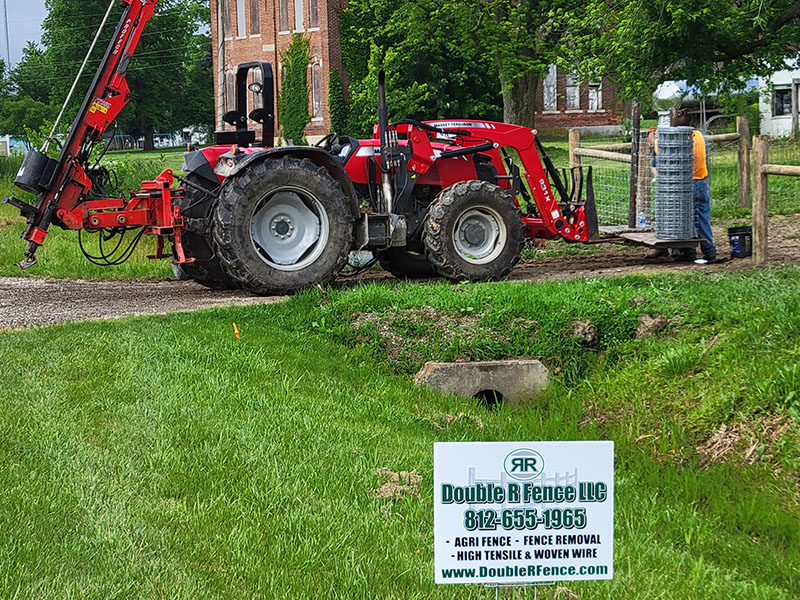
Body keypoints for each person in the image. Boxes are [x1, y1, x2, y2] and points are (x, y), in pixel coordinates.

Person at [646, 113, 717, 263]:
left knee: (685, 219)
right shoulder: (698, 136)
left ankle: (688, 251)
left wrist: (654, 139)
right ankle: (709, 250)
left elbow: (661, 152)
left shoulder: (674, 140)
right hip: (701, 181)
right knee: (702, 218)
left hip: (683, 185)